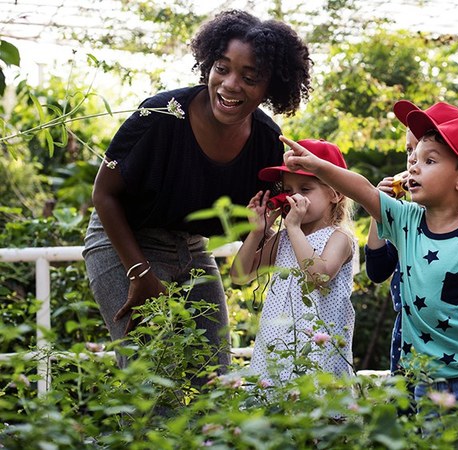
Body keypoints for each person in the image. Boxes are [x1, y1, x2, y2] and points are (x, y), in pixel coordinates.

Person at [83, 10, 313, 375]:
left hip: (190, 245)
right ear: (208, 64)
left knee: (215, 375)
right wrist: (140, 273)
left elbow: (266, 226)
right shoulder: (160, 115)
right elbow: (103, 195)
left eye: (249, 77)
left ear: (271, 87)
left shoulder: (268, 141)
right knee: (150, 375)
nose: (230, 84)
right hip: (123, 241)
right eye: (222, 68)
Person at [280, 101, 458, 436]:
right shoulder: (405, 219)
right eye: (413, 157)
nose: (413, 167)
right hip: (423, 377)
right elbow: (362, 189)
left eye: (429, 160)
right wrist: (318, 167)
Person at [365, 100, 458, 375]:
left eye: (427, 157)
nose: (412, 160)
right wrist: (380, 209)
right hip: (410, 326)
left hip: (455, 334)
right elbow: (377, 270)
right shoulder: (406, 212)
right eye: (410, 151)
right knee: (408, 410)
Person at [230, 139, 356, 384]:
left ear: (336, 194)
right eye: (288, 190)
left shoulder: (340, 237)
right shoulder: (284, 237)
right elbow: (240, 275)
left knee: (319, 416)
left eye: (305, 189)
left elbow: (318, 277)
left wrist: (294, 228)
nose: (293, 197)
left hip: (318, 354)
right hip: (277, 349)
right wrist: (256, 232)